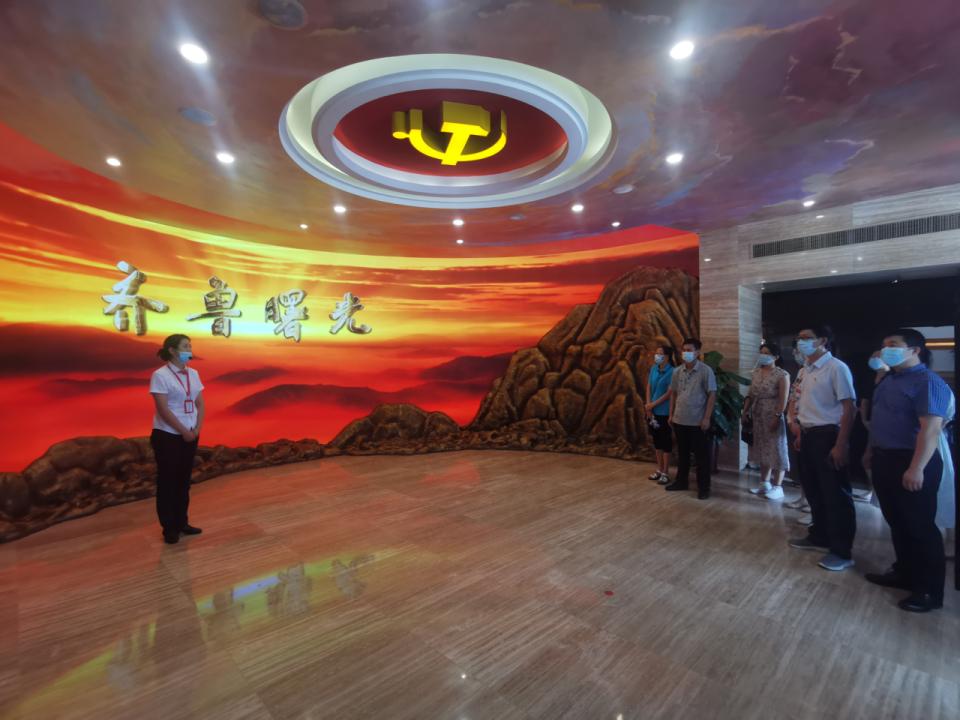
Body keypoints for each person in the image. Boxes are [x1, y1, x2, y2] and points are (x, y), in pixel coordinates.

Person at [863, 329, 954, 612]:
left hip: (913, 460)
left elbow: (931, 430)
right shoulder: (889, 379)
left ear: (915, 350)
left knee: (920, 526)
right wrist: (870, 450)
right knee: (897, 521)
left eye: (893, 345)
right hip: (885, 457)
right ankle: (904, 572)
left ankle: (929, 591)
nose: (885, 350)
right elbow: (879, 420)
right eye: (883, 345)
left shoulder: (928, 382)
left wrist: (916, 468)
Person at [787, 325, 857, 572]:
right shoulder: (804, 369)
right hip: (807, 435)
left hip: (828, 435)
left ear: (823, 341)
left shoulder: (836, 368)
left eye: (807, 338)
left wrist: (841, 443)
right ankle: (819, 535)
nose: (801, 342)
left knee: (835, 494)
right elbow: (799, 401)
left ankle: (841, 551)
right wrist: (798, 428)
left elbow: (849, 408)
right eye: (799, 338)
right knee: (814, 490)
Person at [149, 334, 205, 544]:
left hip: (190, 433)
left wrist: (197, 428)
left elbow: (200, 403)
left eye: (190, 346)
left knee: (184, 481)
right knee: (168, 482)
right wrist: (183, 430)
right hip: (168, 435)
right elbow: (163, 409)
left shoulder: (194, 374)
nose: (189, 350)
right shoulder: (160, 375)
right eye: (185, 346)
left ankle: (182, 522)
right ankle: (169, 528)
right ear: (172, 350)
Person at [665, 338, 717, 499]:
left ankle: (704, 487)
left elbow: (712, 394)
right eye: (684, 350)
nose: (686, 353)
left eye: (689, 350)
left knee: (702, 457)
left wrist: (706, 418)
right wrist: (671, 414)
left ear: (697, 352)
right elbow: (673, 393)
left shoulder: (705, 371)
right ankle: (681, 481)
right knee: (683, 454)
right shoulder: (677, 371)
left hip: (697, 421)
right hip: (680, 419)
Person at [743, 342, 790, 500]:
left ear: (775, 357)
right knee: (762, 448)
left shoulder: (782, 375)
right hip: (758, 414)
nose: (763, 355)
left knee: (776, 448)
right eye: (761, 352)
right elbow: (750, 394)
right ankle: (764, 483)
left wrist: (777, 416)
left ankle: (778, 486)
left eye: (767, 353)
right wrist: (745, 411)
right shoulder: (756, 372)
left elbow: (783, 399)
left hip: (772, 414)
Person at [644, 345, 675, 485]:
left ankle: (666, 472)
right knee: (657, 441)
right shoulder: (653, 369)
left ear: (667, 356)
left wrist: (653, 404)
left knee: (665, 442)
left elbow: (669, 393)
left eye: (660, 354)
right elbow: (649, 386)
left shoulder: (673, 371)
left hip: (664, 411)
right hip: (652, 412)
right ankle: (659, 469)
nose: (657, 356)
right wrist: (648, 405)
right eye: (656, 353)